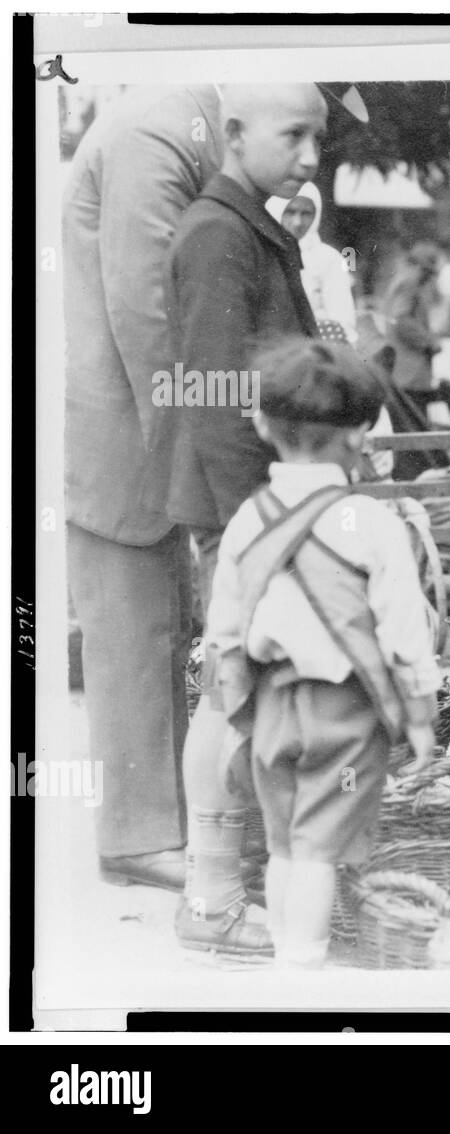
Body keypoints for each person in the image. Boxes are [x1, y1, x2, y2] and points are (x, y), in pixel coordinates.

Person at [204, 338, 439, 968]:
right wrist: (420, 720)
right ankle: (301, 984)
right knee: (316, 853)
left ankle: (286, 963)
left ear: (262, 425)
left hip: (272, 706)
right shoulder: (372, 523)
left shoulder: (247, 520)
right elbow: (405, 635)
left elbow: (223, 630)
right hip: (345, 712)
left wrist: (235, 716)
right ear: (360, 437)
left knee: (283, 846)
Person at [165, 83, 328, 953]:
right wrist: (253, 528)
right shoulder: (219, 234)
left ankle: (244, 877)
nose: (310, 156)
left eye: (319, 139)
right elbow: (217, 393)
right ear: (234, 133)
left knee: (251, 693)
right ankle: (211, 900)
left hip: (269, 502)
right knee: (228, 699)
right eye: (293, 134)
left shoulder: (253, 225)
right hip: (245, 507)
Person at [62, 85, 223, 902]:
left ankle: (160, 824)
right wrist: (186, 448)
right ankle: (136, 834)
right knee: (130, 632)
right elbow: (146, 307)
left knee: (161, 629)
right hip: (122, 429)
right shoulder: (158, 129)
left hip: (134, 430)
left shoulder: (166, 122)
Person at [269, 180, 358, 344]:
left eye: (306, 213)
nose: (298, 222)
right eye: (290, 212)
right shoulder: (265, 252)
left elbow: (343, 319)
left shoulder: (328, 258)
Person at [381, 241, 446, 395]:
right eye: (428, 272)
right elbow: (402, 320)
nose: (429, 278)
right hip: (409, 372)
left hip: (405, 370)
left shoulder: (404, 280)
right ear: (419, 267)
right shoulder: (409, 283)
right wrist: (429, 342)